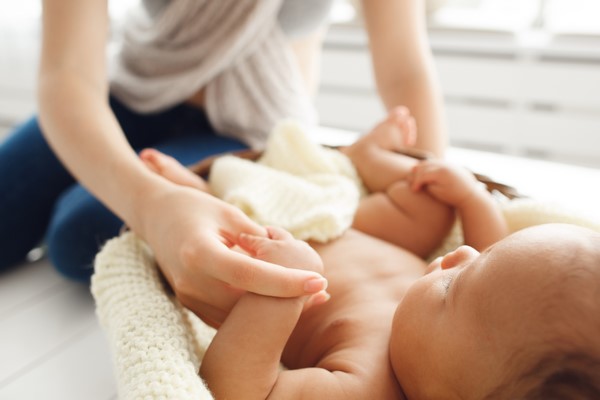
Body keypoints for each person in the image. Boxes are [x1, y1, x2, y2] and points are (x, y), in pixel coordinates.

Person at [0, 0, 447, 320]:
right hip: (126, 94)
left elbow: (404, 69)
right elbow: (67, 73)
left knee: (80, 234)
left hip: (243, 132)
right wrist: (147, 202)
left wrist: (438, 196)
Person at [142, 141, 600, 399]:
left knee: (216, 247)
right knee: (431, 204)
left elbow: (237, 391)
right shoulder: (471, 333)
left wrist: (278, 294)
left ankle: (200, 194)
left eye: (452, 287)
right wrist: (472, 199)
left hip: (267, 249)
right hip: (356, 224)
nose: (463, 254)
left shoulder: (367, 387)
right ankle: (367, 156)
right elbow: (492, 262)